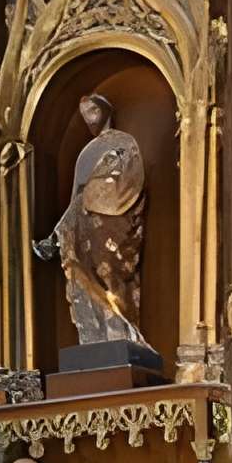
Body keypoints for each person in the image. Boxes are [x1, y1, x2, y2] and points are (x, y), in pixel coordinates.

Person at [34, 92, 147, 344]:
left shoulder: (124, 141)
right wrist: (57, 234)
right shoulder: (86, 153)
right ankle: (96, 338)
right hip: (82, 230)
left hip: (111, 225)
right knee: (83, 278)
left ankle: (123, 335)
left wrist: (101, 188)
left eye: (93, 111)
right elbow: (76, 197)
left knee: (112, 279)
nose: (90, 120)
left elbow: (129, 181)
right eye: (85, 116)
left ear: (106, 110)